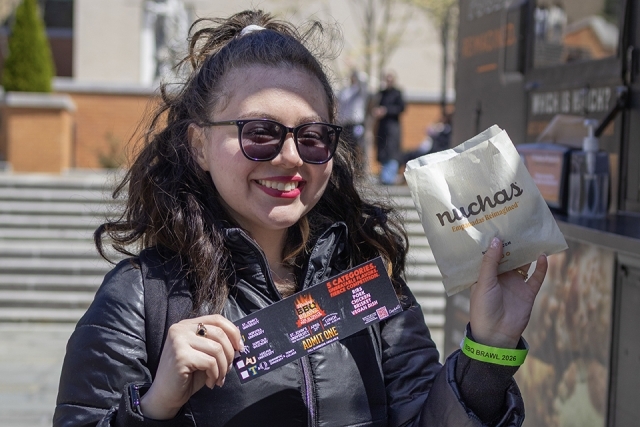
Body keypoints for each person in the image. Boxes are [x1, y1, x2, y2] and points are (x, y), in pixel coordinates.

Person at [54, 9, 547, 427]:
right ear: (199, 144)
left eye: (312, 137)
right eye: (260, 132)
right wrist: (152, 407)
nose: (290, 156)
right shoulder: (141, 298)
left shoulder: (370, 286)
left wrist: (488, 349)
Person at [372, 71, 405, 185]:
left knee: (391, 151)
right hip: (382, 127)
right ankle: (384, 176)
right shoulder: (381, 93)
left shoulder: (397, 93)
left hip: (393, 127)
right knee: (382, 150)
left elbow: (401, 108)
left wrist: (386, 111)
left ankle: (389, 177)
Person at [336, 69, 367, 164]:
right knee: (346, 147)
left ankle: (359, 166)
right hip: (345, 125)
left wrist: (355, 69)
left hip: (357, 125)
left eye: (354, 77)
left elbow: (363, 82)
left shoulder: (360, 90)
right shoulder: (346, 91)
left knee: (358, 145)